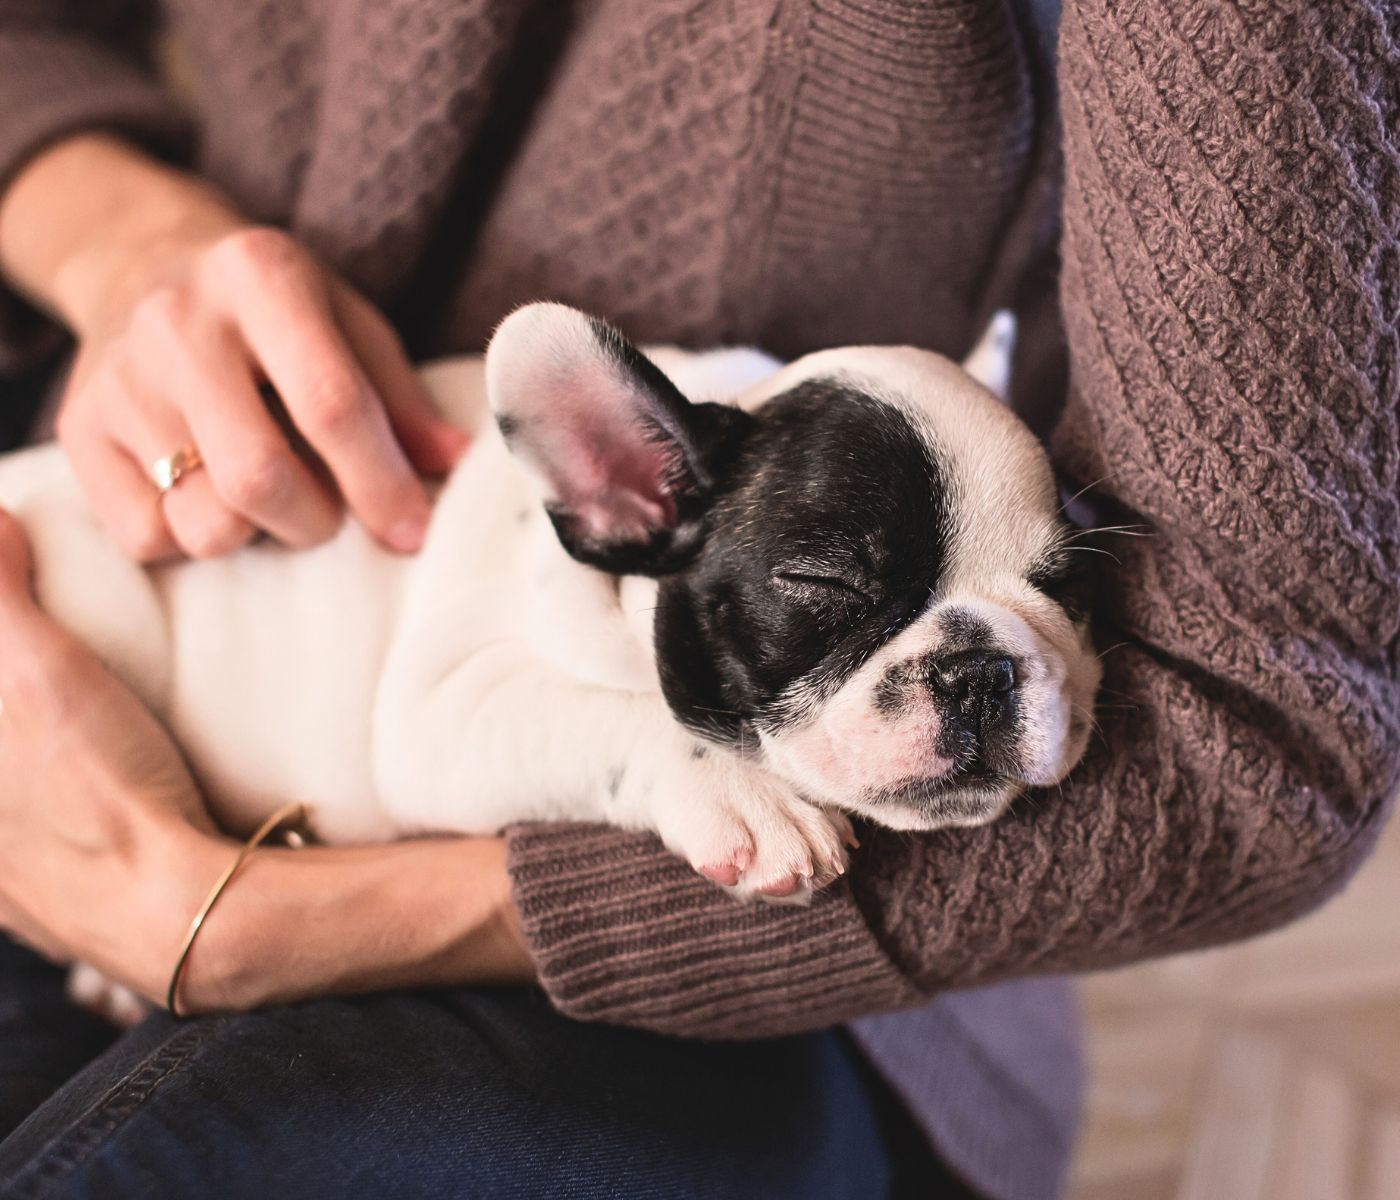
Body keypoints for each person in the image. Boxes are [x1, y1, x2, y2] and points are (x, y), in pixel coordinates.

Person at [0, 1, 1396, 1197]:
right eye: (834, 597)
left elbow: (1269, 730)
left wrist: (226, 928)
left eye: (1047, 594)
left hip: (726, 981)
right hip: (109, 575)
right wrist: (125, 240)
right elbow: (432, 742)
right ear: (615, 495)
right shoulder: (613, 517)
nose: (977, 671)